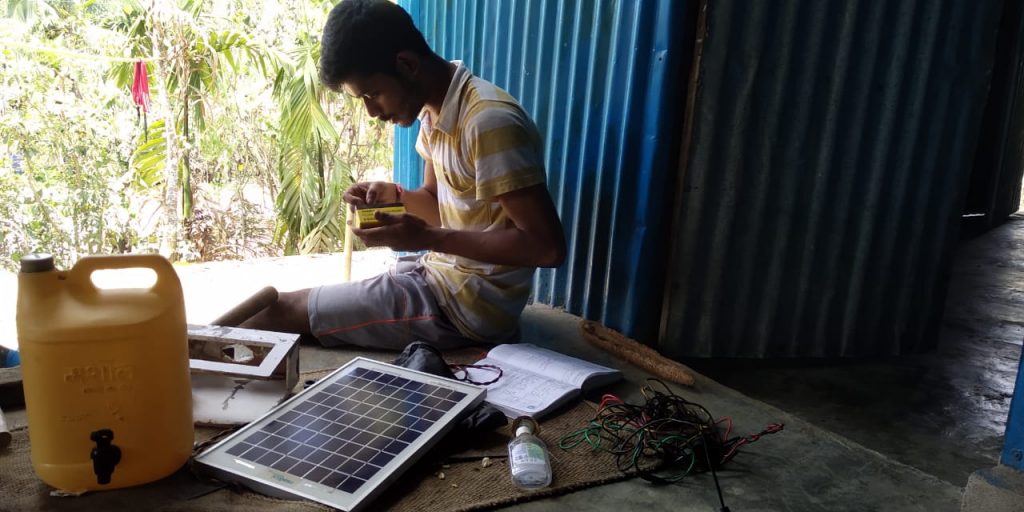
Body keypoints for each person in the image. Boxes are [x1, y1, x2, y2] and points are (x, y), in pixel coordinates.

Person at [240, 0, 566, 350]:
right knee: (285, 312)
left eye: (372, 94)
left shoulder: (488, 122)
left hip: (465, 308)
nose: (371, 111)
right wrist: (393, 196)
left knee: (278, 311)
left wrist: (432, 238)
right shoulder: (439, 110)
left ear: (407, 64)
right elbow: (437, 205)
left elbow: (546, 248)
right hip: (440, 272)